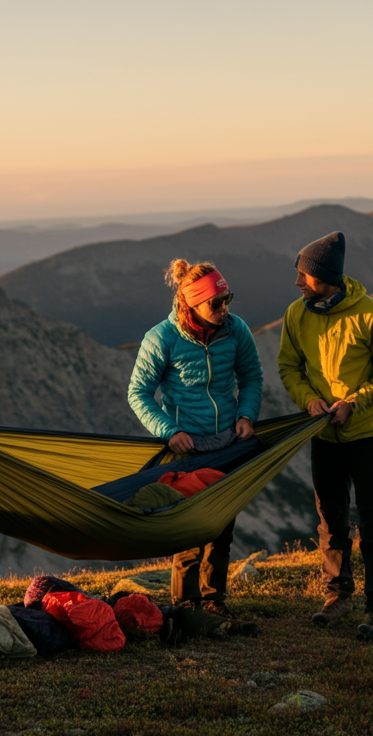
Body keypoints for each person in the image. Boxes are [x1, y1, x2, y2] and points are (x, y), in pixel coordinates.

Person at [277, 232, 373, 641]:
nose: (297, 282)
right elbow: (288, 367)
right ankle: (338, 595)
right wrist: (309, 400)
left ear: (327, 276)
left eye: (304, 274)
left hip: (367, 434)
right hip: (324, 436)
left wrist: (354, 402)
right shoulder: (296, 314)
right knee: (331, 521)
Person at [127, 259, 263, 620]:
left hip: (228, 445)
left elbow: (251, 377)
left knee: (221, 527)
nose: (224, 309)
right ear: (192, 304)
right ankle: (186, 607)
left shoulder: (236, 330)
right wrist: (169, 431)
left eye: (226, 299)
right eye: (215, 303)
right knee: (189, 530)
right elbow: (138, 393)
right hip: (187, 451)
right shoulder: (162, 338)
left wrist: (247, 415)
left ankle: (214, 602)